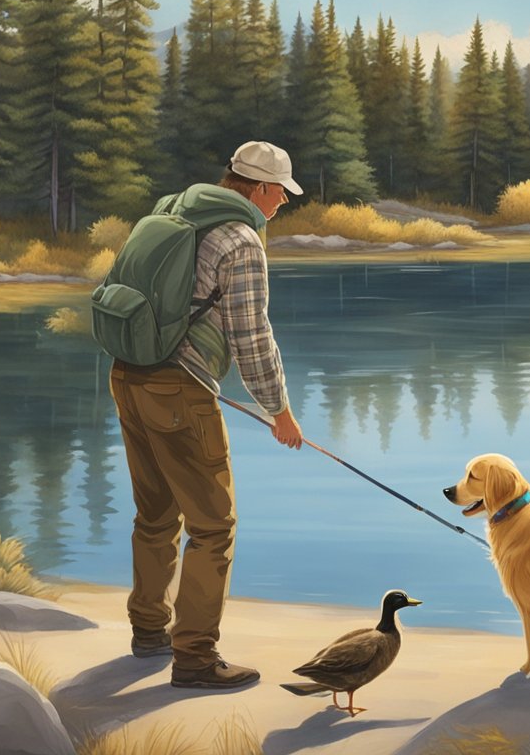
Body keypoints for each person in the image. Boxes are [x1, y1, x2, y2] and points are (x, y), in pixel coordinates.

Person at [108, 140, 305, 689]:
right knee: (214, 527)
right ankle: (194, 658)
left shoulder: (173, 211)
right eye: (281, 194)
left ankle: (148, 631)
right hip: (180, 392)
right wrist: (279, 411)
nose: (281, 204)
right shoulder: (242, 241)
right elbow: (251, 337)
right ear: (259, 187)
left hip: (128, 375)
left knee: (155, 514)